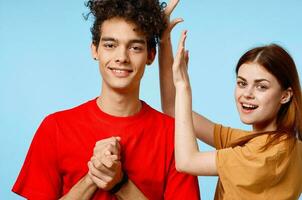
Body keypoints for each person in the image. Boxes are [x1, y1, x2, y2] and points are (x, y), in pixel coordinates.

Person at [12, 0, 200, 199]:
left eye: (135, 47)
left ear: (151, 55)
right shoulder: (55, 128)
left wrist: (120, 184)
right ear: (95, 50)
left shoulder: (175, 136)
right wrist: (92, 177)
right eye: (110, 45)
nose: (121, 57)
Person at [160, 28, 302, 199]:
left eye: (261, 86)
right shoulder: (280, 143)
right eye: (242, 83)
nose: (247, 94)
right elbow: (171, 108)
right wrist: (163, 40)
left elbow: (186, 162)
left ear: (285, 96)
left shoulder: (260, 156)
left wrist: (183, 87)